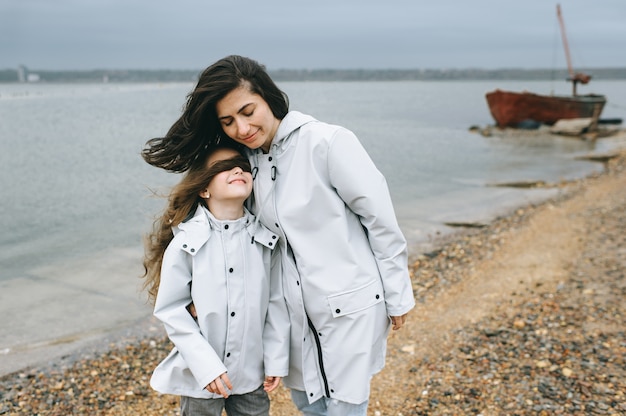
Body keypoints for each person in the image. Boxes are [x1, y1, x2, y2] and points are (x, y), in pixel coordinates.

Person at [143, 55, 416, 416]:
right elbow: (217, 218)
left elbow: (381, 221)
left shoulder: (327, 142)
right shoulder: (248, 162)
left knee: (346, 405)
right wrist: (201, 290)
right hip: (292, 316)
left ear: (268, 98)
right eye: (228, 121)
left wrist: (398, 294)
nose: (241, 127)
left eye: (247, 110)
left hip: (348, 304)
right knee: (308, 403)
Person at [141, 144, 289, 416]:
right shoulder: (185, 244)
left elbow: (277, 303)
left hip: (251, 372)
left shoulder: (265, 241)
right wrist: (206, 367)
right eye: (222, 167)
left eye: (243, 166)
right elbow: (172, 311)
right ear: (204, 189)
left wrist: (276, 360)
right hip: (202, 377)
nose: (237, 170)